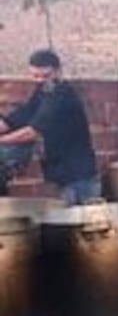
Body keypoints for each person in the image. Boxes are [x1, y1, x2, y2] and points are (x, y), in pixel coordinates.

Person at [0, 50, 99, 204]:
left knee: (83, 222)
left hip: (78, 175)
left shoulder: (61, 95)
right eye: (35, 76)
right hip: (61, 173)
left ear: (58, 71)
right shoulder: (43, 92)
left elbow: (32, 132)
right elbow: (20, 116)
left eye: (45, 75)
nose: (39, 80)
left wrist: (2, 141)